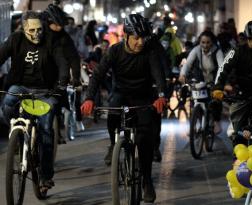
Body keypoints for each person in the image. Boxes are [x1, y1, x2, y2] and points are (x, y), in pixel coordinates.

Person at [80, 14, 166, 203]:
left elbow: (158, 75)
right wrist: (89, 99)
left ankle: (146, 180)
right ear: (126, 36)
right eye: (136, 37)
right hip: (121, 93)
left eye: (143, 37)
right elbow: (97, 75)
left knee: (144, 141)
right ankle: (114, 145)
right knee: (112, 113)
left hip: (143, 97)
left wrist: (161, 95)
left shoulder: (149, 51)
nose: (141, 42)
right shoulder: (114, 51)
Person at [0, 11, 69, 191]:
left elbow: (63, 64)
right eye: (32, 30)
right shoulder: (15, 40)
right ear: (24, 29)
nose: (37, 33)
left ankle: (45, 176)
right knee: (8, 101)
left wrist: (61, 86)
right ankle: (16, 130)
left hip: (45, 91)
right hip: (19, 86)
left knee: (46, 131)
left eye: (39, 29)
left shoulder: (51, 40)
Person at [42, 4, 85, 135]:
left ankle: (56, 126)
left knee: (56, 102)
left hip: (57, 74)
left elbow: (73, 58)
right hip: (35, 73)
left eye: (61, 24)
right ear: (49, 21)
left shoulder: (63, 37)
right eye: (57, 24)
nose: (60, 27)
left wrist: (76, 78)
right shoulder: (38, 32)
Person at [179, 30, 224, 134]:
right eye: (203, 42)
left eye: (208, 42)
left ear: (212, 42)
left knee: (215, 98)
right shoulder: (196, 50)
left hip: (214, 78)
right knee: (194, 98)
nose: (205, 45)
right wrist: (182, 74)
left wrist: (220, 82)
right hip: (200, 78)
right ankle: (194, 122)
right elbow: (188, 64)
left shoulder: (218, 51)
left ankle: (216, 121)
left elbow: (222, 67)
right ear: (199, 42)